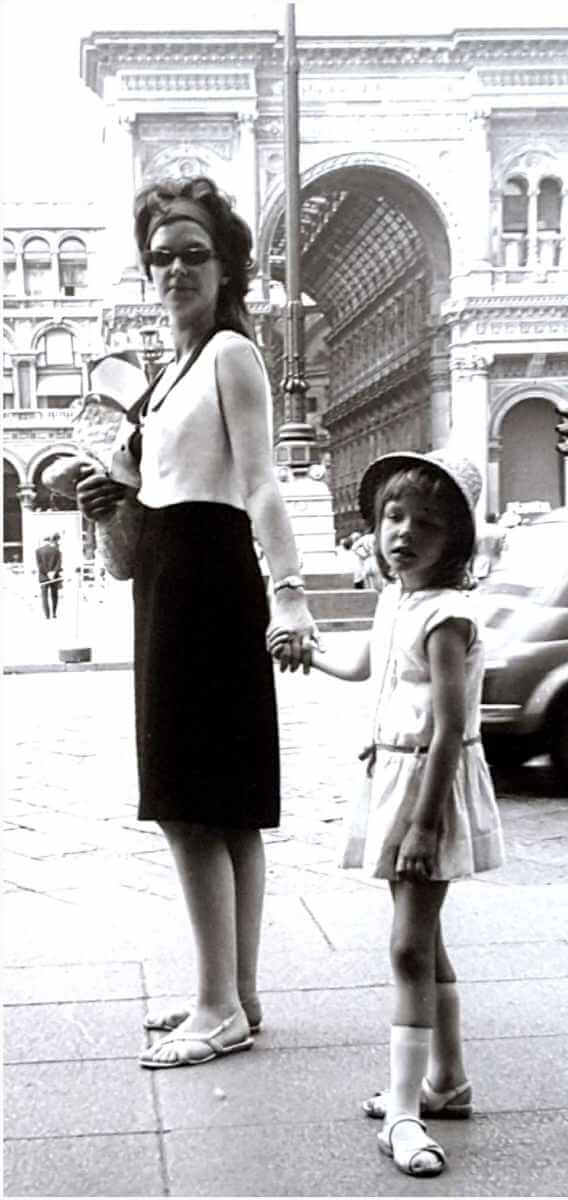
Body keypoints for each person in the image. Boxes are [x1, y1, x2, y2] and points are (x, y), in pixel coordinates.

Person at [75, 175, 317, 1068]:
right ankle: (238, 996)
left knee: (189, 804)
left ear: (227, 267)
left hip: (206, 582)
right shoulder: (169, 373)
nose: (174, 268)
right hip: (170, 575)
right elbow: (155, 496)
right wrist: (118, 494)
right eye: (162, 256)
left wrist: (288, 590)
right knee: (229, 810)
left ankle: (215, 1006)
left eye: (193, 254)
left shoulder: (228, 356)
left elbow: (259, 480)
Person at [278, 449, 504, 1178]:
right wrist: (305, 651)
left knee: (407, 947)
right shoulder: (398, 598)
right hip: (397, 775)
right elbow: (366, 666)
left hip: (427, 786)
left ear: (457, 543)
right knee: (425, 940)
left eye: (425, 525)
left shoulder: (447, 615)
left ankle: (405, 1113)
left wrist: (425, 823)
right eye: (392, 518)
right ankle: (447, 1081)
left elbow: (446, 726)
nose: (402, 534)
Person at [35, 532, 63, 620]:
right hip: (54, 576)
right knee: (54, 595)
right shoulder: (57, 550)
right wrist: (53, 572)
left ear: (43, 541)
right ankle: (54, 613)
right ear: (49, 540)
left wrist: (47, 573)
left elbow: (39, 565)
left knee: (44, 596)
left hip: (43, 576)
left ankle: (47, 615)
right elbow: (59, 563)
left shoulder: (38, 551)